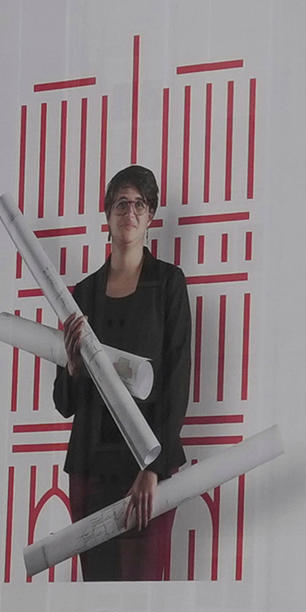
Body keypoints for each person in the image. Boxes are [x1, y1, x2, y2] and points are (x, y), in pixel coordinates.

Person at [57, 164, 192, 581]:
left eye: (139, 204)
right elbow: (64, 403)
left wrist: (154, 467)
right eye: (120, 203)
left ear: (150, 216)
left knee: (140, 606)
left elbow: (177, 379)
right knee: (96, 604)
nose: (129, 212)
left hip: (146, 472)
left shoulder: (168, 283)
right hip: (90, 469)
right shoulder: (83, 294)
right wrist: (73, 369)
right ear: (107, 215)